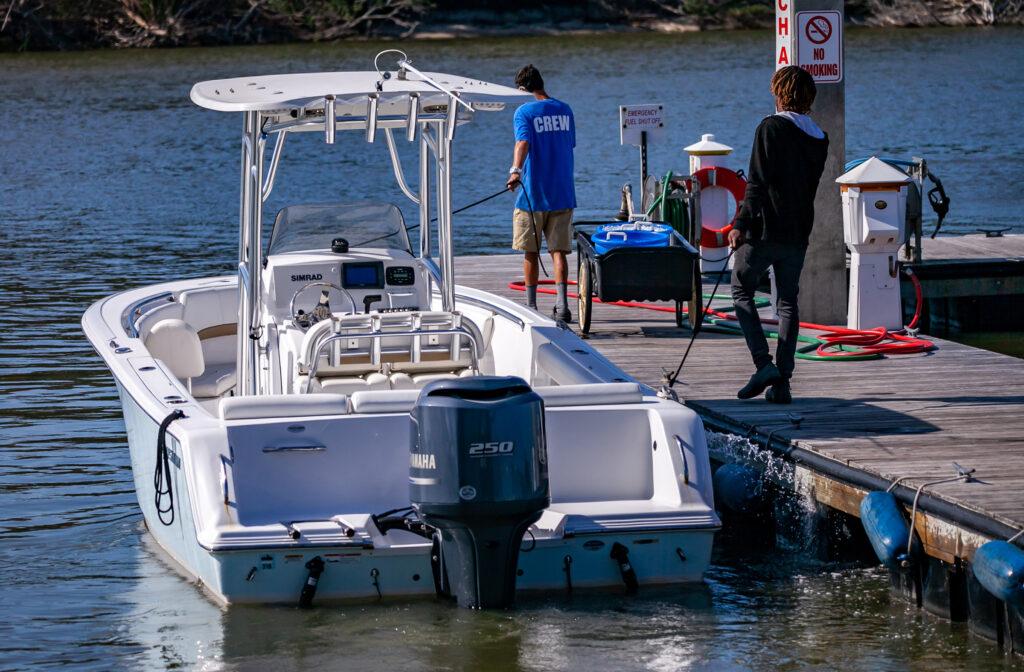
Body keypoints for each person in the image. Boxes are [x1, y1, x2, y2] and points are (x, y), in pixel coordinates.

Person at [728, 65, 829, 404]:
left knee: (740, 288)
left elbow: (757, 182)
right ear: (809, 98)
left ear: (779, 92)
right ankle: (782, 383)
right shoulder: (819, 137)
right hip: (798, 232)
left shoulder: (769, 128)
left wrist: (740, 224)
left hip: (765, 230)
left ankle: (763, 364)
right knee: (787, 303)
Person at [506, 64, 577, 322]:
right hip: (563, 193)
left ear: (522, 90)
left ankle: (531, 307)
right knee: (559, 252)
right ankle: (562, 306)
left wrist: (515, 171)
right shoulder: (565, 110)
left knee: (530, 252)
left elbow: (523, 142)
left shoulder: (524, 111)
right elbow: (570, 145)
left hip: (533, 196)